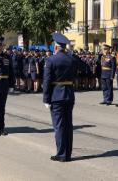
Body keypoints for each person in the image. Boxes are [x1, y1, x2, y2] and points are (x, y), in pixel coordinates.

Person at [43, 33, 77, 162]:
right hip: (69, 94)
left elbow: (47, 81)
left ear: (56, 47)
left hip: (56, 96)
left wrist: (46, 99)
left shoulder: (51, 60)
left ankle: (61, 154)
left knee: (59, 126)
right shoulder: (71, 59)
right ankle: (67, 153)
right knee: (68, 125)